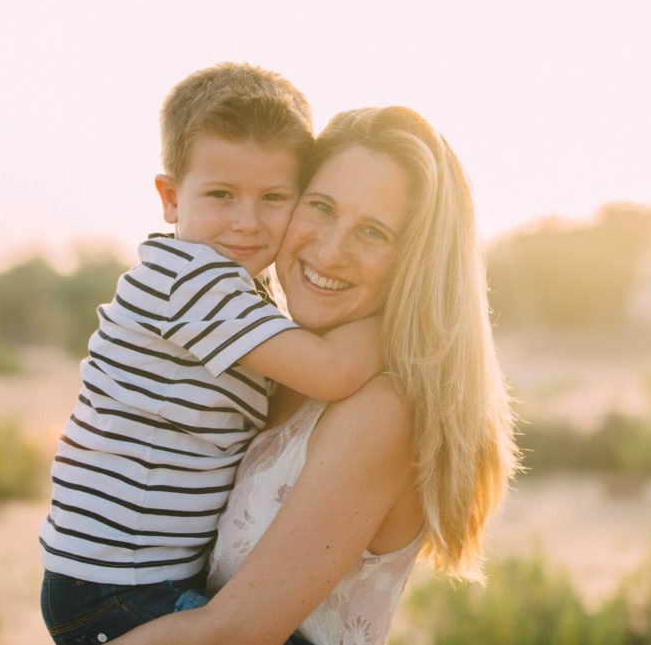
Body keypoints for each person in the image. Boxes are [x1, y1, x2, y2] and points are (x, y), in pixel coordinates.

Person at [113, 105, 519, 645]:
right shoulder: (275, 366)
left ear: (414, 262)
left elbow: (234, 632)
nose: (330, 251)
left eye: (373, 232)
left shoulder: (379, 409)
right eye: (321, 207)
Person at [39, 63, 385, 645]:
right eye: (221, 195)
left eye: (274, 197)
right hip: (116, 588)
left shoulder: (236, 290)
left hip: (123, 578)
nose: (246, 222)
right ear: (171, 198)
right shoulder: (191, 279)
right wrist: (408, 311)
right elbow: (335, 371)